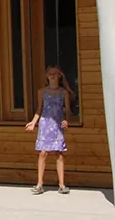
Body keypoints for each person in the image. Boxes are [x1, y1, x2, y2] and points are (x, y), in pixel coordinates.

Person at [25, 66, 75, 195]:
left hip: (57, 124)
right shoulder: (42, 91)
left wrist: (67, 120)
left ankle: (62, 184)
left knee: (59, 153)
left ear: (59, 76)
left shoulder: (64, 93)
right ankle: (39, 184)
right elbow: (39, 109)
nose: (52, 76)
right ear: (46, 77)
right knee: (43, 153)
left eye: (54, 74)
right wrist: (33, 122)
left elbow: (68, 110)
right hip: (45, 124)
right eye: (50, 74)